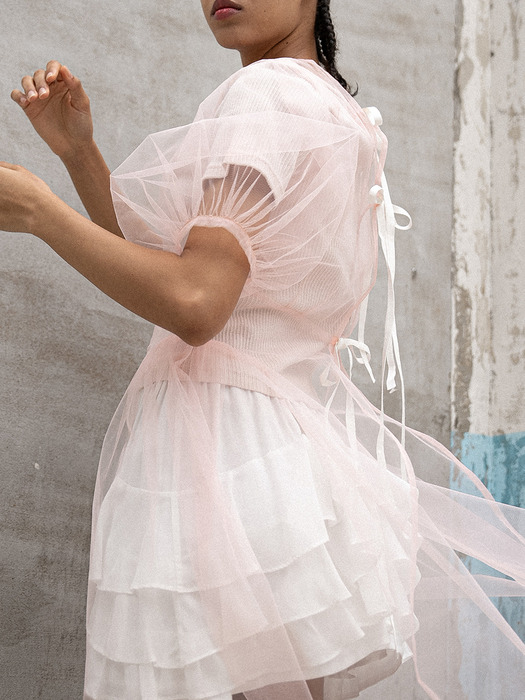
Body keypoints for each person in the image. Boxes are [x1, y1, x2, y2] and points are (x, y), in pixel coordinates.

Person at [1, 1, 524, 699]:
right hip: (281, 465)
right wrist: (78, 153)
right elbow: (172, 269)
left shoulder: (264, 93)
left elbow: (194, 302)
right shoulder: (331, 108)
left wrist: (41, 213)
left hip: (216, 460)